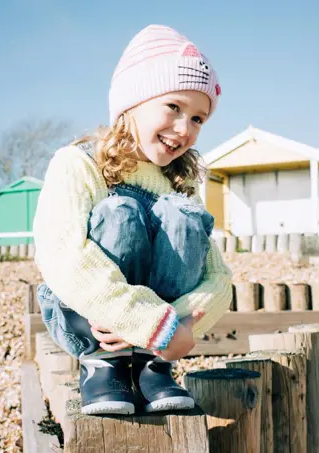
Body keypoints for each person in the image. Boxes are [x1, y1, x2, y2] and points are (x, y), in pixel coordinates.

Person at [32, 24, 233, 416]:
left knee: (181, 217)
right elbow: (63, 255)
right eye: (174, 107)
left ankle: (151, 369)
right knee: (118, 213)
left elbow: (219, 279)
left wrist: (172, 328)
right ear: (132, 102)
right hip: (92, 321)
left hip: (158, 340)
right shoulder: (79, 164)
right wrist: (147, 322)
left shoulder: (180, 186)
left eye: (198, 119)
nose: (184, 128)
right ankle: (104, 367)